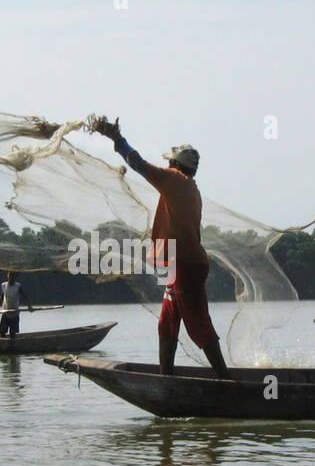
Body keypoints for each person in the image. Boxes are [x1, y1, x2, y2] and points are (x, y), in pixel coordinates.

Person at [91, 118, 232, 379]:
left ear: (175, 164)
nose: (167, 165)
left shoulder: (175, 180)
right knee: (167, 324)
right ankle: (166, 379)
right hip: (180, 264)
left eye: (170, 162)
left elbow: (138, 164)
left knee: (198, 323)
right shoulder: (189, 187)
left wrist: (116, 138)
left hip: (185, 264)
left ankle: (225, 379)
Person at [0, 271, 34, 337]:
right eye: (10, 276)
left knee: (12, 333)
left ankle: (12, 345)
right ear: (8, 276)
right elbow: (1, 298)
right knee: (2, 331)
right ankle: (5, 344)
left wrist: (29, 306)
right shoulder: (4, 285)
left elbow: (25, 296)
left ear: (15, 277)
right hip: (5, 312)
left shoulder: (18, 286)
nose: (11, 278)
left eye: (13, 276)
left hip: (14, 312)